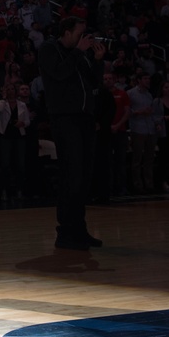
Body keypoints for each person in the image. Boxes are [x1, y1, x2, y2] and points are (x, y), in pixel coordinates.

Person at [37, 16, 106, 250]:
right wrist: (79, 52)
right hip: (65, 119)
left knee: (84, 176)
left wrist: (97, 60)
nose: (84, 38)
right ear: (66, 32)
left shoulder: (80, 54)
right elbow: (59, 74)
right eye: (79, 33)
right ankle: (65, 231)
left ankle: (79, 229)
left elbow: (94, 82)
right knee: (72, 175)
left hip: (84, 119)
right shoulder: (49, 49)